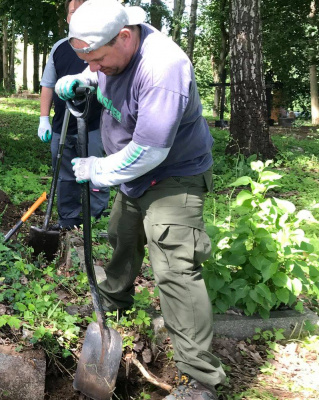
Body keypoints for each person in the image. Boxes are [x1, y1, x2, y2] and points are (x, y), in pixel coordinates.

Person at [55, 0, 225, 398]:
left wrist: (99, 169)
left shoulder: (164, 68)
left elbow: (150, 151)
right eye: (88, 60)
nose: (95, 67)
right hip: (133, 178)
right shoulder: (112, 50)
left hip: (172, 176)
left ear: (126, 38)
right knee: (122, 237)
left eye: (97, 59)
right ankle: (113, 301)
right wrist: (82, 80)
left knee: (175, 267)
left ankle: (200, 379)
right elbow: (100, 72)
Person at [38, 0, 109, 229]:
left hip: (95, 125)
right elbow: (47, 85)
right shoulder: (59, 48)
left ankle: (94, 218)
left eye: (82, 12)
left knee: (96, 172)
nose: (77, 15)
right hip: (63, 124)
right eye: (72, 12)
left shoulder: (99, 44)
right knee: (66, 175)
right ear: (68, 18)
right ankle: (68, 219)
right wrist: (43, 119)